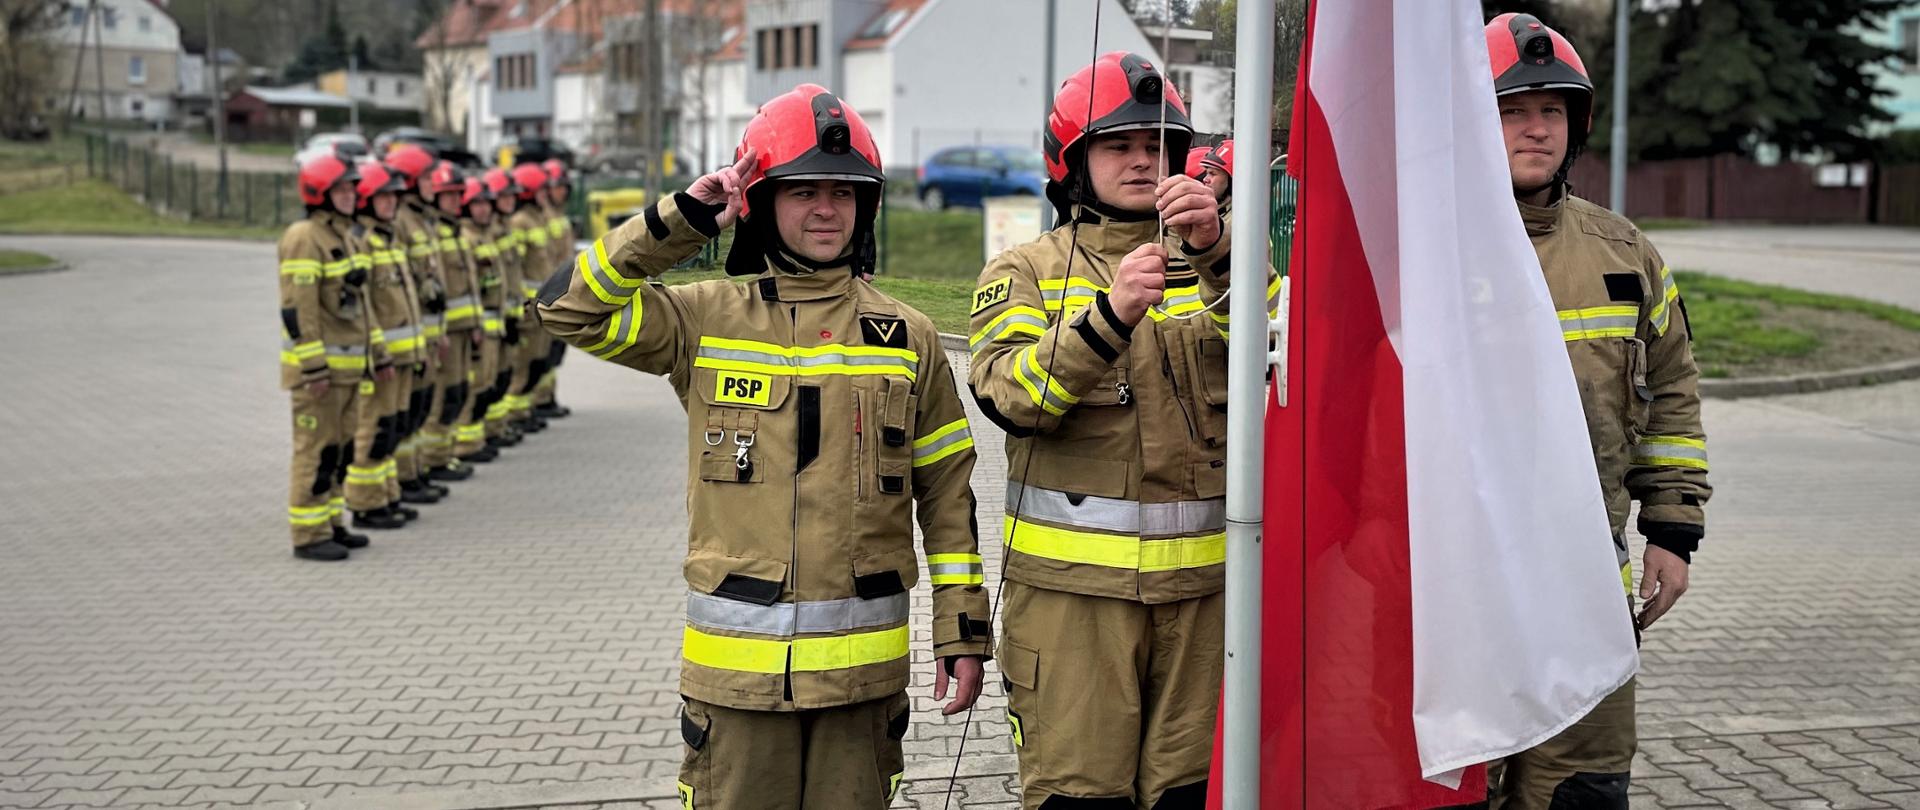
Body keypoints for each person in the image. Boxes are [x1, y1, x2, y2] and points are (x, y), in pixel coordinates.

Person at [537, 83, 990, 810]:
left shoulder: (909, 335)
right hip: (738, 691)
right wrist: (681, 220)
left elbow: (946, 493)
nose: (824, 208)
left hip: (862, 685)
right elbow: (567, 308)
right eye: (801, 190)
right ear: (762, 202)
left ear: (865, 206)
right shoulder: (704, 319)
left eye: (843, 193)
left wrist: (961, 629)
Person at [968, 51, 1238, 809]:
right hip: (1074, 609)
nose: (1143, 161)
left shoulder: (1218, 261)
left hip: (1203, 604)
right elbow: (1011, 396)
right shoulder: (1023, 271)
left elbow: (1289, 363)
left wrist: (1220, 253)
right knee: (1079, 800)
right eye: (1118, 145)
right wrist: (1108, 316)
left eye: (1157, 146)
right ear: (1073, 160)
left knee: (1190, 798)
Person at [1466, 13, 1712, 808]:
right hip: (1459, 590)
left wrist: (1671, 531)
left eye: (1551, 110)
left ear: (1576, 125)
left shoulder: (1625, 252)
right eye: (1511, 109)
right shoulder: (1424, 251)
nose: (1534, 128)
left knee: (1583, 790)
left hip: (1586, 586)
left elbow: (1671, 395)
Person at [278, 153, 379, 561]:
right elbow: (298, 310)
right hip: (319, 374)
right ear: (319, 194)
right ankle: (308, 533)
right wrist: (313, 366)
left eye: (352, 188)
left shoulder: (346, 236)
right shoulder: (305, 237)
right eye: (341, 189)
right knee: (316, 452)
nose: (351, 195)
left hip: (348, 370)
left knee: (338, 450)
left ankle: (333, 522)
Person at [341, 160, 420, 530]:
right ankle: (364, 504)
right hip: (381, 358)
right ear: (367, 200)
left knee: (392, 427)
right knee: (373, 430)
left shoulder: (388, 239)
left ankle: (385, 497)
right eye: (383, 197)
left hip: (404, 355)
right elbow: (366, 308)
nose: (391, 204)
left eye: (394, 197)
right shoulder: (362, 242)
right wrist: (377, 353)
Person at [453, 174, 507, 463]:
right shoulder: (467, 237)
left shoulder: (485, 235)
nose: (484, 209)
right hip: (478, 327)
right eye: (477, 204)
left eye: (487, 204)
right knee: (475, 386)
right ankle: (464, 445)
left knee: (487, 383)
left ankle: (476, 438)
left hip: (491, 324)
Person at [507, 162, 556, 434]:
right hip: (527, 306)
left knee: (537, 362)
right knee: (522, 365)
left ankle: (525, 410)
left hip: (540, 304)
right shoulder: (519, 223)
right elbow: (516, 268)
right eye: (541, 191)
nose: (545, 195)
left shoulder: (538, 218)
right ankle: (515, 416)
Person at [532, 157, 575, 419]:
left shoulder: (556, 214)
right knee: (538, 353)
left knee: (552, 351)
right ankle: (536, 400)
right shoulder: (542, 216)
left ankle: (546, 397)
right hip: (546, 292)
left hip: (558, 290)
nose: (563, 191)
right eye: (558, 186)